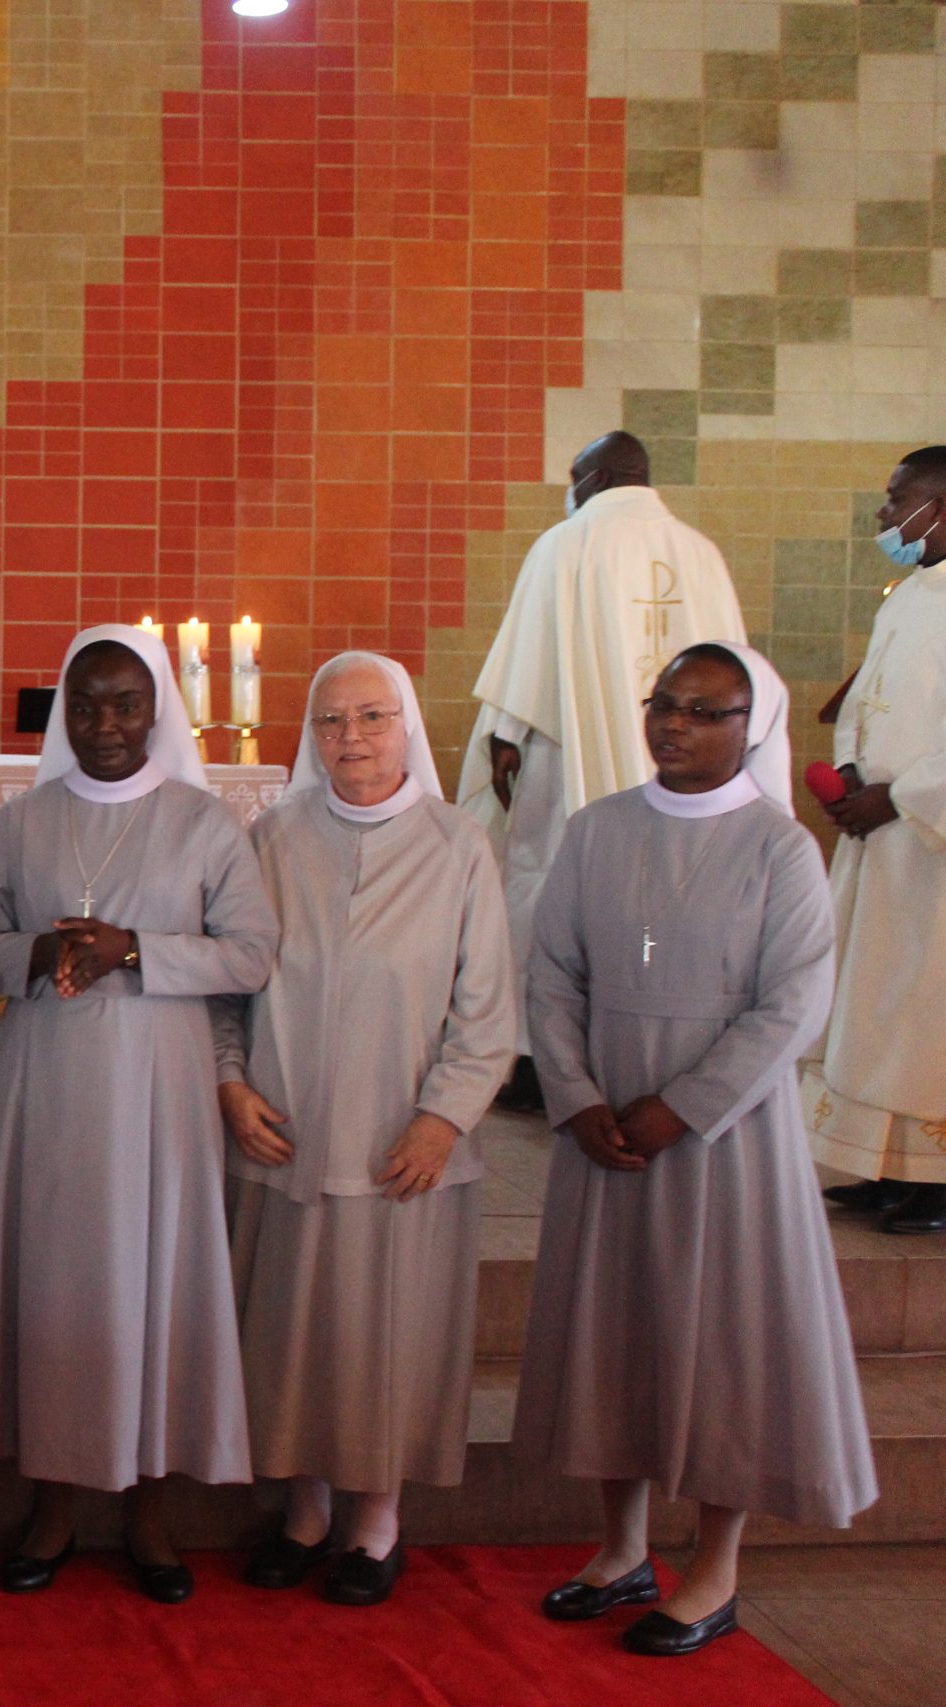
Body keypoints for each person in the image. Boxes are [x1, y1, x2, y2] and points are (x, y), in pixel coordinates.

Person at [515, 642, 875, 1657]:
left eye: (704, 711)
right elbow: (551, 976)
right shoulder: (595, 833)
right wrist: (579, 1099)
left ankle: (712, 1568)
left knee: (723, 1346)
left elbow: (792, 1003)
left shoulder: (778, 849)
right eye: (663, 704)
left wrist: (682, 1105)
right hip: (606, 1136)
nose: (674, 724)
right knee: (615, 1333)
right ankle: (619, 1549)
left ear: (750, 727)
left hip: (725, 1138)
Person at [0, 624, 277, 1601]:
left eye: (124, 703)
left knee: (156, 1289)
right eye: (86, 703)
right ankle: (53, 1506)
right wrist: (38, 956)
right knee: (53, 1286)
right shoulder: (21, 821)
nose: (103, 724)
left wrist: (135, 949)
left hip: (157, 1100)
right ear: (65, 710)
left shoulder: (203, 823)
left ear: (156, 712)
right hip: (45, 1088)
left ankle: (149, 1512)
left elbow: (251, 953)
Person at [216, 652, 515, 1607]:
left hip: (402, 1148)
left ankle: (376, 1524)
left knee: (385, 1341)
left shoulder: (457, 844)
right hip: (287, 1135)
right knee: (291, 1338)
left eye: (373, 717)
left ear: (409, 729)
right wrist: (229, 1084)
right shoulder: (271, 838)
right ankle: (303, 1513)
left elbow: (487, 1010)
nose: (351, 738)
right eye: (331, 721)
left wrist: (442, 1119)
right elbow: (228, 987)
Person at [454, 432, 745, 1110]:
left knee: (548, 889)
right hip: (684, 768)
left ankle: (533, 1058)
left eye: (575, 475)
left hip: (568, 759)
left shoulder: (567, 542)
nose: (571, 489)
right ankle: (649, 1054)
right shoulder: (700, 554)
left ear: (599, 476)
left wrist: (503, 738)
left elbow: (523, 672)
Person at [805, 446, 946, 1234]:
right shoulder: (910, 595)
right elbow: (868, 698)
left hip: (931, 847)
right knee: (875, 1004)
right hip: (881, 835)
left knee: (928, 1012)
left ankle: (938, 1180)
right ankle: (884, 1165)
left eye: (899, 500)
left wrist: (901, 797)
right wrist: (855, 773)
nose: (886, 517)